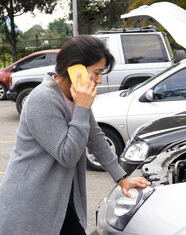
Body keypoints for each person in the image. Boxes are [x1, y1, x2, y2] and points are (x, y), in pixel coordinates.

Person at [0, 35, 150, 235]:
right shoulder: (42, 99)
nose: (99, 80)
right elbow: (67, 156)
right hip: (31, 203)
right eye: (96, 72)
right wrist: (82, 107)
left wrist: (121, 178)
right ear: (75, 68)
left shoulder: (74, 96)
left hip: (60, 200)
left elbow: (95, 137)